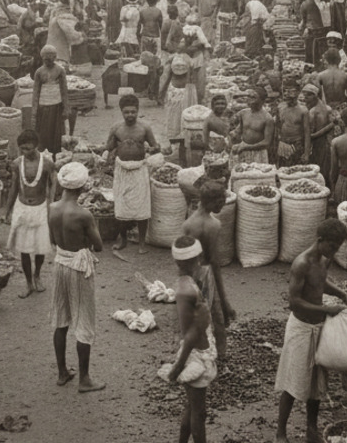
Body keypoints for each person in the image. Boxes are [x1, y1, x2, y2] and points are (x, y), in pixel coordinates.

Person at [274, 218, 347, 443]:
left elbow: (321, 284)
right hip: (301, 327)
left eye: (337, 248)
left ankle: (311, 429)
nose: (334, 251)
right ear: (320, 240)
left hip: (318, 326)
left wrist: (341, 293)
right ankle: (281, 432)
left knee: (317, 385)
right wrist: (326, 308)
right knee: (292, 382)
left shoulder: (323, 260)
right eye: (332, 246)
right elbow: (294, 302)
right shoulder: (301, 263)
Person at [48, 161, 105, 392]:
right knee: (83, 321)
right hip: (78, 268)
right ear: (82, 187)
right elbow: (99, 246)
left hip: (60, 262)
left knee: (61, 319)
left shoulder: (52, 208)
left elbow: (53, 240)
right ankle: (84, 379)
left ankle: (62, 372)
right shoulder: (84, 214)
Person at [168, 236, 219, 443]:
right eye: (197, 260)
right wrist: (177, 368)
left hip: (197, 352)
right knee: (199, 413)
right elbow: (189, 334)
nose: (200, 263)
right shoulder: (185, 291)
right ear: (193, 261)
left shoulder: (188, 284)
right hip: (195, 357)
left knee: (192, 408)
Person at [181, 182, 236, 362]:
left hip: (190, 274)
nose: (223, 204)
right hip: (205, 274)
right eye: (220, 201)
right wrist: (225, 299)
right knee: (218, 316)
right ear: (210, 202)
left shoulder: (188, 223)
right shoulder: (213, 225)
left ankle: (196, 354)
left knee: (194, 315)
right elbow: (214, 261)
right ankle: (221, 356)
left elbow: (182, 255)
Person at [2, 129, 55, 297]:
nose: (26, 152)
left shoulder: (47, 163)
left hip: (40, 208)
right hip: (23, 207)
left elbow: (54, 182)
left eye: (29, 149)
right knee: (24, 249)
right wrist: (7, 210)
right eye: (23, 149)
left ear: (36, 146)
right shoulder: (17, 163)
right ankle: (28, 283)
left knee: (40, 247)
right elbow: (14, 187)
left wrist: (51, 204)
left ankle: (37, 275)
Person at [106, 93, 159, 253]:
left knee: (142, 207)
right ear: (121, 112)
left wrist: (152, 149)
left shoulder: (145, 128)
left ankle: (142, 242)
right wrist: (112, 147)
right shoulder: (116, 128)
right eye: (127, 112)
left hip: (139, 170)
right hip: (122, 169)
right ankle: (123, 240)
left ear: (138, 110)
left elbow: (155, 146)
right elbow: (108, 147)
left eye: (133, 112)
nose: (130, 115)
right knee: (121, 207)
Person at [32, 44, 69, 155]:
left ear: (55, 58)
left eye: (51, 58)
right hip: (43, 106)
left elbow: (64, 90)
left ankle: (55, 153)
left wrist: (66, 107)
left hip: (56, 105)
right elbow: (36, 92)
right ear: (42, 58)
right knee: (43, 132)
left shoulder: (60, 70)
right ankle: (43, 153)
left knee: (56, 133)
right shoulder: (39, 72)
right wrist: (34, 110)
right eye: (45, 59)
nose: (48, 61)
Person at [165, 55, 198, 164]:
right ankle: (176, 150)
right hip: (174, 96)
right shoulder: (171, 58)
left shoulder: (191, 60)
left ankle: (184, 151)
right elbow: (166, 76)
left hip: (187, 94)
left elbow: (193, 77)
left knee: (186, 125)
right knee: (173, 123)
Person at [232, 88, 274, 165]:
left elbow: (267, 142)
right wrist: (233, 136)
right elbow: (239, 130)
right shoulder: (243, 113)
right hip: (243, 150)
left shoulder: (267, 118)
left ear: (262, 100)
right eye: (248, 96)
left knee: (257, 174)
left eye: (253, 97)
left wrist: (246, 147)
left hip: (258, 153)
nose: (249, 100)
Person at [275, 84, 312, 168]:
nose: (287, 94)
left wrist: (306, 153)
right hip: (283, 144)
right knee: (282, 170)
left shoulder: (303, 110)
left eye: (291, 92)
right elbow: (277, 127)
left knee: (297, 170)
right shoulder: (280, 107)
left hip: (297, 144)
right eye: (285, 91)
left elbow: (307, 133)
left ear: (297, 93)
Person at [305, 83, 334, 185]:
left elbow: (311, 134)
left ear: (314, 95)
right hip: (326, 142)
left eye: (308, 95)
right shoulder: (328, 108)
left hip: (319, 143)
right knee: (325, 167)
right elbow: (332, 124)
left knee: (318, 167)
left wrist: (311, 137)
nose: (305, 98)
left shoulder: (312, 112)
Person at [299, 0, 325, 67]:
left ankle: (310, 67)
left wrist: (300, 29)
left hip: (311, 30)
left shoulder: (304, 4)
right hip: (319, 30)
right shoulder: (314, 2)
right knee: (317, 51)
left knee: (309, 51)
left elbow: (304, 20)